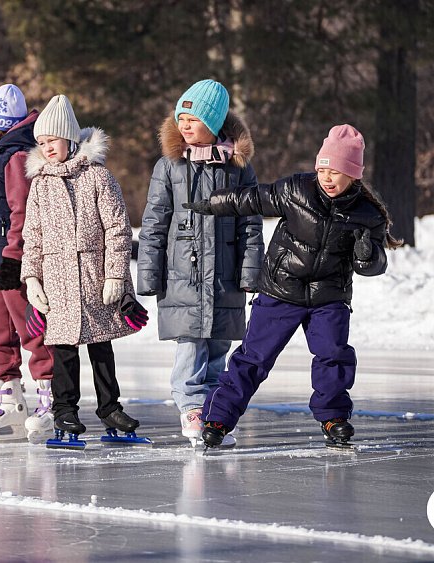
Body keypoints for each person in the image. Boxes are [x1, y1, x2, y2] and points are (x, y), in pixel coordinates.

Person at [183, 124, 402, 448]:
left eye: (337, 171)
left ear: (353, 175)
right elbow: (253, 199)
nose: (328, 177)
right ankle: (218, 418)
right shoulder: (297, 190)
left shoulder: (367, 215)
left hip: (329, 297)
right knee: (254, 358)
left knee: (333, 355)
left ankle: (333, 418)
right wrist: (214, 203)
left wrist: (367, 255)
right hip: (281, 289)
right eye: (323, 168)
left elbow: (373, 265)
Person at [136, 79, 264, 447]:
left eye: (194, 119)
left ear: (215, 122)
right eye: (182, 118)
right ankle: (190, 406)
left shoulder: (238, 169)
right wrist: (149, 271)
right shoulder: (170, 166)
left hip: (225, 275)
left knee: (218, 345)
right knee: (191, 342)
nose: (186, 125)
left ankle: (213, 407)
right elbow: (154, 221)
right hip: (183, 275)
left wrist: (250, 271)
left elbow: (250, 224)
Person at [21, 94, 148, 438]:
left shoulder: (97, 176)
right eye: (41, 142)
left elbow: (118, 228)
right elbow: (31, 236)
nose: (47, 148)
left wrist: (116, 274)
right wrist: (31, 278)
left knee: (101, 346)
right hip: (57, 282)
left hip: (94, 277)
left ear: (69, 138)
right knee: (62, 350)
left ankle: (110, 408)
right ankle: (65, 410)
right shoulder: (40, 184)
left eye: (52, 140)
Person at [0, 84, 54, 442]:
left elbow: (21, 212)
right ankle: (10, 403)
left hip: (11, 262)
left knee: (31, 329)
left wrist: (14, 257)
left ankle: (50, 401)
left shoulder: (16, 156)